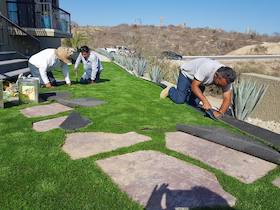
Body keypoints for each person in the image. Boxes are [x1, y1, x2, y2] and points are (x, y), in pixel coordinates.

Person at [160, 58, 236, 118]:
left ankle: (185, 93)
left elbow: (227, 98)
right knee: (179, 99)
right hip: (187, 75)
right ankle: (170, 90)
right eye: (220, 84)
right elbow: (194, 86)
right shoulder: (207, 67)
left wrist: (220, 113)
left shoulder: (226, 79)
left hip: (200, 82)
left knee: (192, 104)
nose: (222, 86)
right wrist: (205, 101)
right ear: (216, 75)